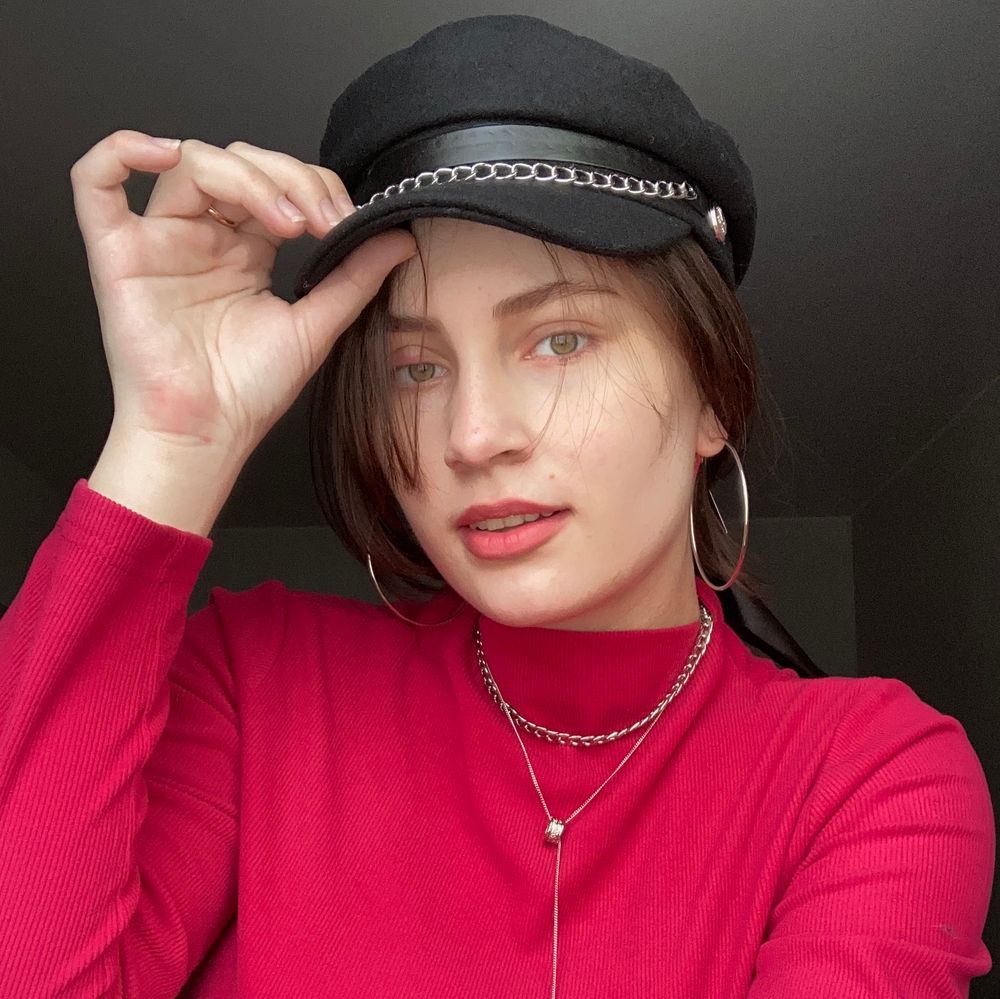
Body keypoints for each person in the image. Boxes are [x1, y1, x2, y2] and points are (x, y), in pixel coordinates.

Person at [0, 13, 993, 998]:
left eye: (560, 340)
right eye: (417, 367)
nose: (472, 437)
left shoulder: (871, 777)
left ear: (712, 399)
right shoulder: (256, 686)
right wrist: (170, 439)